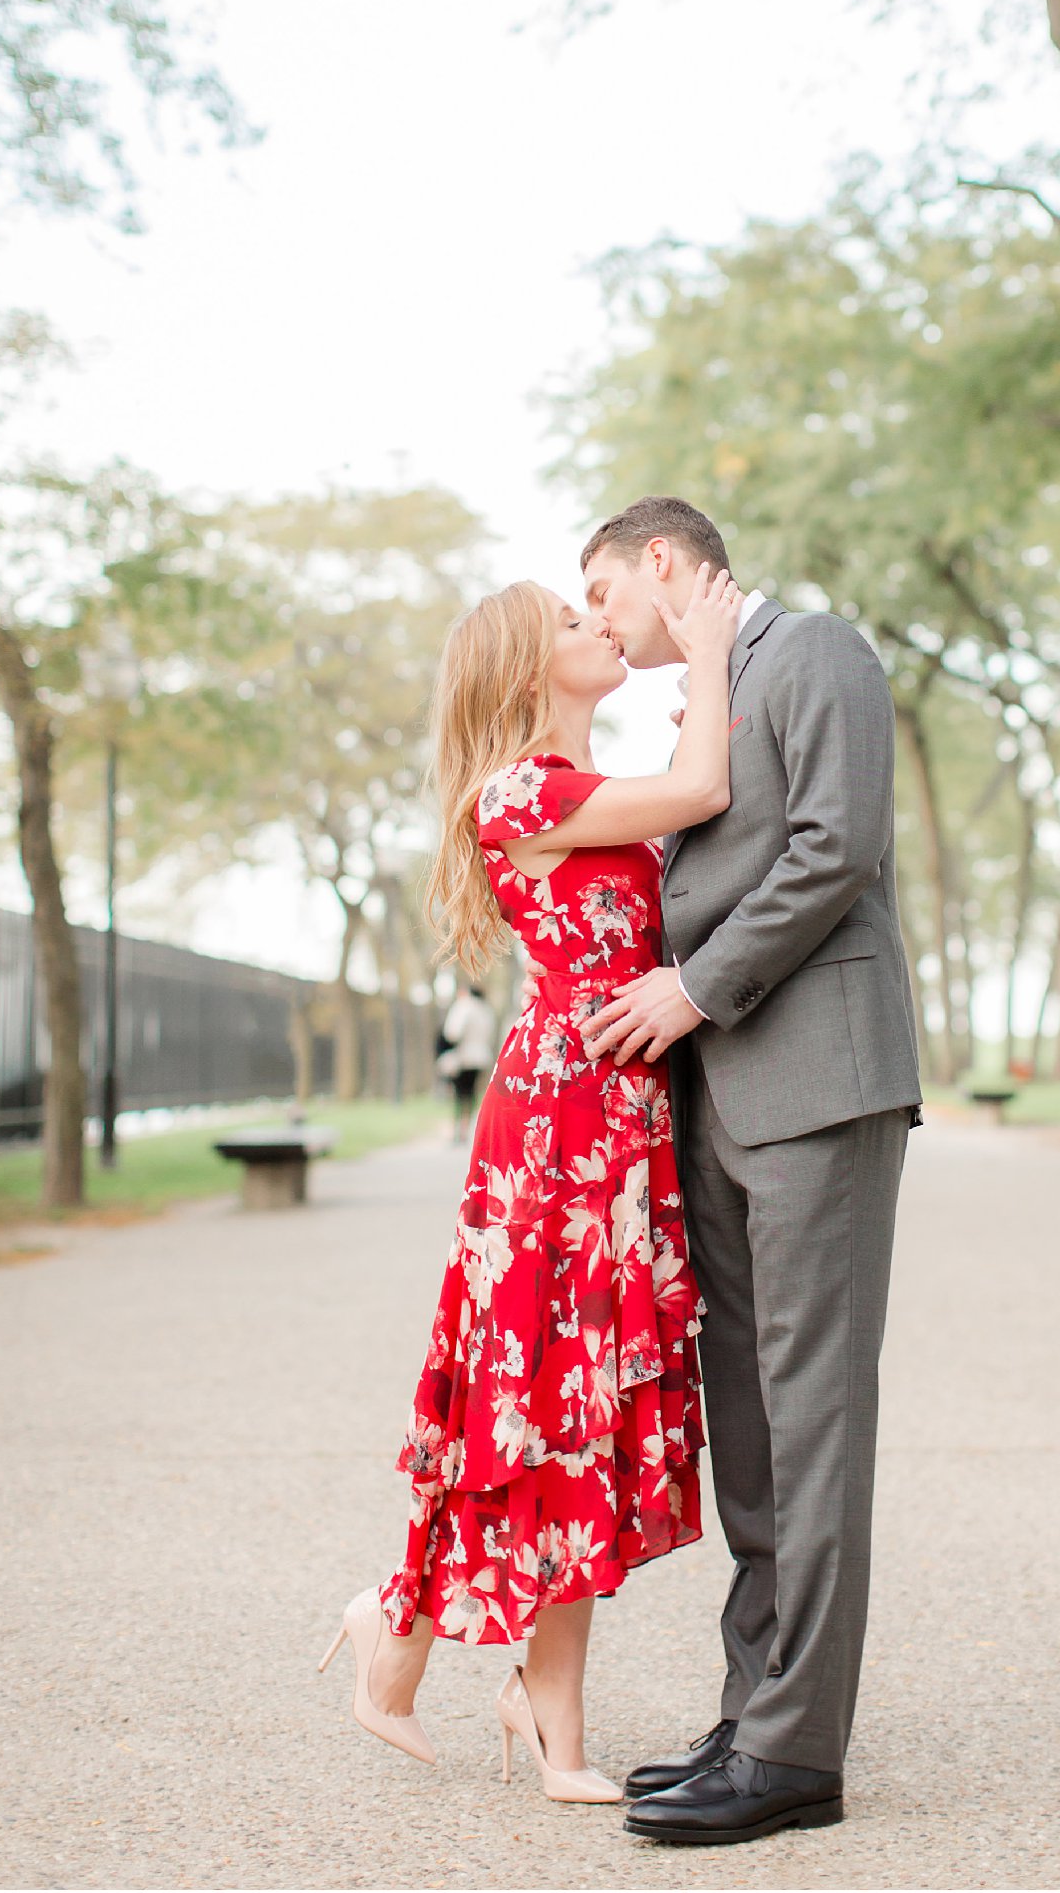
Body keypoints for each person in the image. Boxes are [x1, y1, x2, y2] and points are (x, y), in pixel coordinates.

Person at [319, 563, 743, 1805]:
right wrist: (710, 650)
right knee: (540, 1394)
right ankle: (394, 1617)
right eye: (571, 619)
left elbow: (692, 811)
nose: (596, 623)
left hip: (615, 1115)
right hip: (556, 1125)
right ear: (522, 668)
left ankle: (537, 1717)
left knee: (582, 1413)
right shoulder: (520, 787)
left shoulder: (592, 789)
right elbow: (707, 785)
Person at [579, 495, 923, 1848]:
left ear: (664, 562)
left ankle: (795, 1756)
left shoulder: (820, 655)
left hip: (816, 1083)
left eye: (601, 590)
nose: (599, 620)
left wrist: (695, 991)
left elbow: (835, 847)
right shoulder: (711, 705)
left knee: (814, 1414)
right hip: (719, 1104)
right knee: (755, 1422)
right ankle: (752, 1712)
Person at [438, 979, 496, 1143]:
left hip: (462, 1058)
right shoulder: (486, 1010)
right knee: (471, 1094)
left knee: (458, 1094)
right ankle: (465, 1129)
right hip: (480, 1057)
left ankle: (456, 1130)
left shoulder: (464, 1006)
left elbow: (452, 1032)